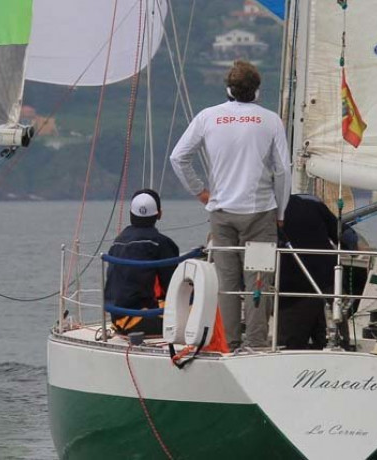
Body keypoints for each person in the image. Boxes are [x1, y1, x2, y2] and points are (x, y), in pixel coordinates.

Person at [170, 60, 291, 350]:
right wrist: (282, 211)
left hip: (222, 213)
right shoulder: (271, 119)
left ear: (228, 89)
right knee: (258, 283)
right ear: (257, 91)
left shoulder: (208, 117)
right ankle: (256, 344)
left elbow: (178, 158)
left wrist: (200, 192)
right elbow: (283, 170)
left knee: (226, 284)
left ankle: (230, 342)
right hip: (261, 213)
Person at [279, 194, 366, 350]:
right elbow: (347, 237)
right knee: (338, 348)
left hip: (291, 294)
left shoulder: (262, 213)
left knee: (289, 352)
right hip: (328, 286)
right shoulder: (311, 205)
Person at [104, 190, 180, 336]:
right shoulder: (160, 243)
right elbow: (173, 287)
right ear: (159, 214)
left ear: (131, 214)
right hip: (139, 320)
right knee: (198, 315)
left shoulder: (118, 241)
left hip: (117, 317)